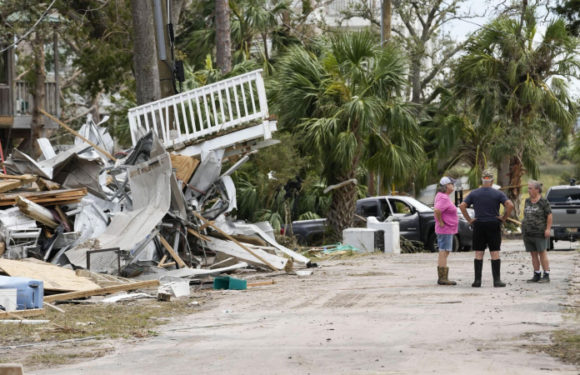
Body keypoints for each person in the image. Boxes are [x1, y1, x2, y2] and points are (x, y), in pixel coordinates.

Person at [459, 170, 514, 287]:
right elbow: (510, 205)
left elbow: (462, 205)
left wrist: (469, 220)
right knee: (494, 252)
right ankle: (497, 281)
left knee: (479, 252)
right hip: (493, 224)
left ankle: (477, 281)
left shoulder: (474, 193)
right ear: (492, 181)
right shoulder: (498, 193)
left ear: (482, 180)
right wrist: (503, 218)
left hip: (479, 224)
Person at [522, 180, 552, 283]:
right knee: (533, 254)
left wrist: (548, 229)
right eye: (528, 188)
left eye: (530, 188)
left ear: (537, 190)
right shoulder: (527, 201)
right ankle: (536, 274)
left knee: (542, 253)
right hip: (528, 233)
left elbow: (549, 215)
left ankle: (546, 274)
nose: (528, 190)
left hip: (540, 232)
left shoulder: (543, 202)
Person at [433, 176, 458, 285]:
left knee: (444, 251)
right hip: (445, 229)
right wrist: (441, 222)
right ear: (447, 185)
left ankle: (442, 276)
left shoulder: (443, 196)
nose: (453, 186)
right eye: (452, 184)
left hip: (447, 229)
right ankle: (443, 278)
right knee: (444, 251)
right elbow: (437, 210)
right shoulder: (443, 197)